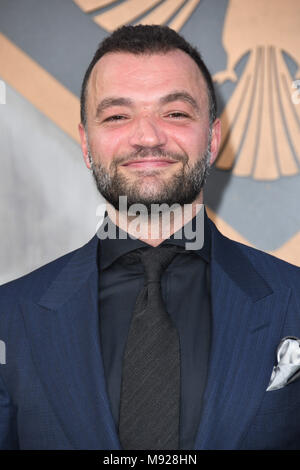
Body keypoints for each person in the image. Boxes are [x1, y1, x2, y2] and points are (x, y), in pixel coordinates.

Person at [1, 25, 300, 451]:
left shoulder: (295, 298)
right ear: (87, 143)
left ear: (212, 139)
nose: (147, 137)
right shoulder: (9, 318)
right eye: (118, 116)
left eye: (175, 113)